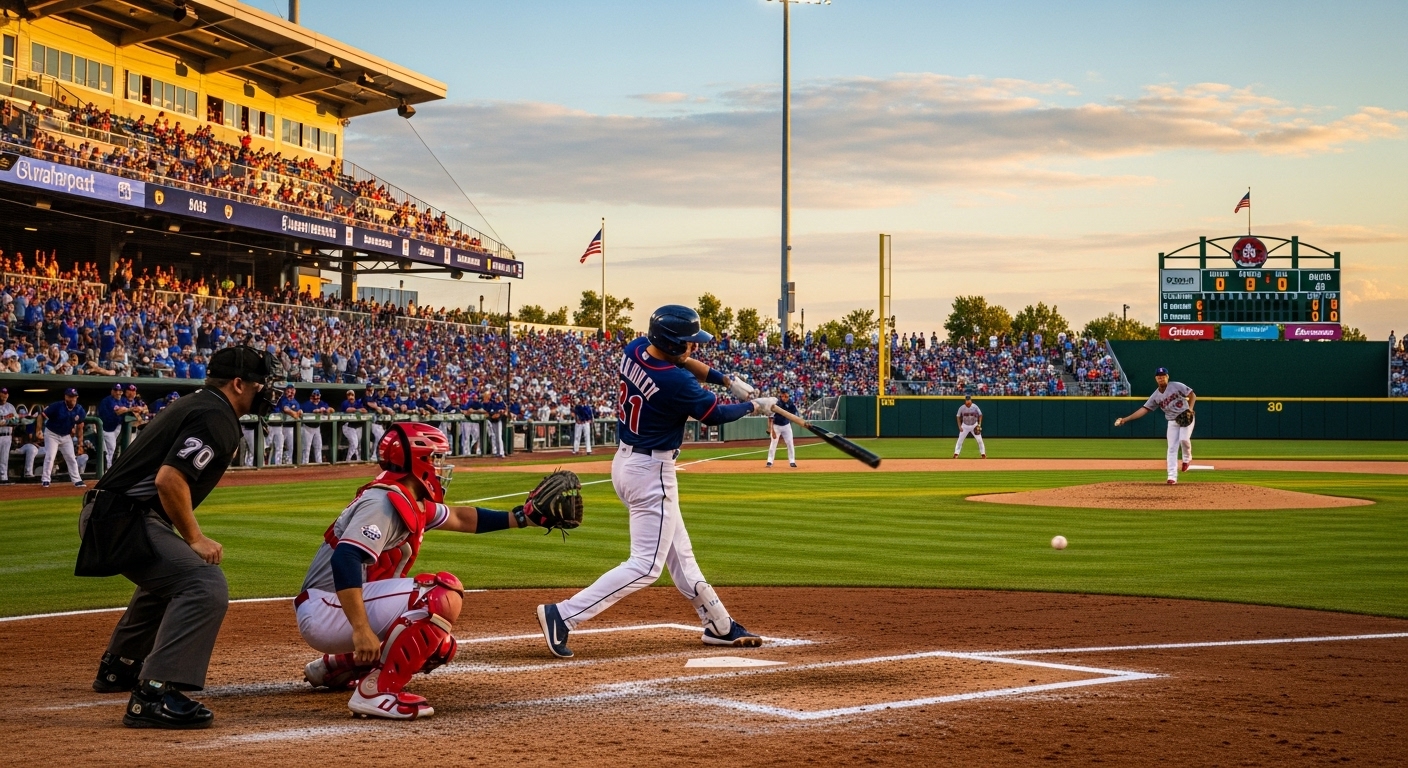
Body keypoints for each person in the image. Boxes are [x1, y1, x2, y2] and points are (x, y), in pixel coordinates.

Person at [536, 305, 774, 658]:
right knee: (646, 566)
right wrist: (754, 406)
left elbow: (685, 362)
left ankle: (719, 625)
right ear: (673, 343)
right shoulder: (674, 383)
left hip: (626, 463)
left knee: (681, 555)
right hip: (652, 473)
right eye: (689, 341)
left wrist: (726, 380)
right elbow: (714, 415)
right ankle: (564, 614)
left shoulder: (635, 348)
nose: (694, 346)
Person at [81, 346, 280, 729]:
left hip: (113, 512)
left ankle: (120, 665)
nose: (265, 391)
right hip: (121, 517)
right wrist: (195, 537)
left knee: (171, 578)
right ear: (238, 384)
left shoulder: (201, 404)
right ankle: (154, 693)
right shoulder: (215, 415)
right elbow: (169, 479)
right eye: (260, 384)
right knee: (204, 584)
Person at [294, 423, 546, 719]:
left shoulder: (407, 497)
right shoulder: (383, 502)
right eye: (435, 458)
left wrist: (522, 517)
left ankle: (337, 666)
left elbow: (461, 517)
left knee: (440, 646)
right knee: (440, 595)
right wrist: (361, 630)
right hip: (327, 608)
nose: (440, 467)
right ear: (417, 460)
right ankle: (375, 692)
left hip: (335, 608)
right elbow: (345, 558)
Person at [1114, 366, 1196, 484]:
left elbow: (1192, 395)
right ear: (1156, 379)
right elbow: (1144, 409)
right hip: (1172, 421)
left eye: (1163, 376)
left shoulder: (1176, 385)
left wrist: (1190, 409)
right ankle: (1172, 476)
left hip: (1186, 418)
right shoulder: (1155, 396)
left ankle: (1187, 458)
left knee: (1184, 439)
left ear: (1167, 377)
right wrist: (1125, 419)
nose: (1161, 378)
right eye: (1159, 377)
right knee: (1172, 448)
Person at [39, 387, 87, 488]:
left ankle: (77, 480)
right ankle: (45, 479)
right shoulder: (57, 406)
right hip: (52, 433)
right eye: (70, 396)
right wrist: (38, 430)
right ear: (66, 397)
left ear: (77, 397)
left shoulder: (79, 409)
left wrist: (80, 444)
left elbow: (80, 427)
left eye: (74, 397)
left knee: (71, 458)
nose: (72, 399)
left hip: (66, 435)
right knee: (50, 456)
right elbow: (41, 415)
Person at [99, 383, 132, 469]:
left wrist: (131, 408)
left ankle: (108, 468)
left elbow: (136, 406)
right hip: (106, 428)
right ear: (112, 391)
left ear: (122, 392)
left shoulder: (123, 400)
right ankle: (107, 468)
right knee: (110, 449)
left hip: (116, 427)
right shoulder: (108, 400)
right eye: (115, 390)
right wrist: (128, 409)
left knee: (112, 449)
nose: (118, 392)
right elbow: (119, 411)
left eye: (120, 391)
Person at [766, 389, 797, 468]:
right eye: (784, 396)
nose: (785, 398)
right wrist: (771, 429)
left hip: (786, 425)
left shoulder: (790, 403)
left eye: (787, 396)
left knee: (790, 443)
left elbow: (794, 413)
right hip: (776, 426)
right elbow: (770, 417)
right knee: (773, 443)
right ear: (781, 396)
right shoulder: (777, 404)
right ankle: (770, 461)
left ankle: (792, 461)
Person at [301, 389, 332, 464]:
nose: (316, 398)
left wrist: (327, 410)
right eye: (314, 396)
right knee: (306, 448)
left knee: (318, 446)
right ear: (311, 396)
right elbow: (313, 411)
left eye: (317, 396)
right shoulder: (307, 404)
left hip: (317, 427)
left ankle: (319, 463)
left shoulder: (321, 403)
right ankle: (304, 464)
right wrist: (319, 410)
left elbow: (330, 409)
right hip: (307, 427)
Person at [274, 385, 301, 465]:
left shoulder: (295, 401)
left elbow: (299, 411)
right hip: (279, 426)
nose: (290, 392)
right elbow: (285, 409)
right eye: (288, 391)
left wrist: (298, 412)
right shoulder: (283, 399)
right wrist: (293, 413)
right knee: (278, 447)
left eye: (292, 390)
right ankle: (277, 465)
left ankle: (288, 464)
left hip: (290, 427)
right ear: (285, 391)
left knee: (290, 448)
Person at [953, 394, 986, 459]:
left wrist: (979, 424)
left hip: (974, 425)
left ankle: (983, 454)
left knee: (979, 440)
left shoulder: (975, 407)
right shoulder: (962, 408)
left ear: (971, 400)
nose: (968, 401)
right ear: (965, 401)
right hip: (965, 426)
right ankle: (956, 454)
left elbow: (980, 415)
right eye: (967, 400)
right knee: (960, 440)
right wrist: (959, 426)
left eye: (969, 400)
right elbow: (958, 416)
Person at [339, 390, 367, 462]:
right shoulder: (345, 402)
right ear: (347, 396)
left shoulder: (357, 402)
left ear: (354, 396)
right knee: (354, 444)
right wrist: (358, 410)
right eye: (349, 395)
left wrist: (357, 410)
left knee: (357, 445)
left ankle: (358, 459)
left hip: (357, 426)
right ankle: (348, 460)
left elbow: (365, 410)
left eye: (352, 395)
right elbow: (348, 410)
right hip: (347, 426)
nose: (350, 397)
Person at [458, 391, 483, 456]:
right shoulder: (465, 404)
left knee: (477, 436)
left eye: (476, 398)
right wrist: (468, 411)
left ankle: (476, 451)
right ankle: (465, 452)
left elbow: (482, 410)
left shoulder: (477, 404)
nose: (475, 399)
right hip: (465, 421)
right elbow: (465, 412)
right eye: (473, 398)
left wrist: (473, 411)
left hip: (475, 422)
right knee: (465, 438)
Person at [483, 391, 506, 458]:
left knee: (498, 436)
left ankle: (501, 452)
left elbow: (503, 408)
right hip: (492, 421)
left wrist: (498, 412)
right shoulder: (491, 403)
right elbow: (488, 410)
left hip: (498, 421)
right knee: (494, 437)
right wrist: (491, 414)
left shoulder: (500, 403)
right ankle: (497, 452)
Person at [0, 388, 15, 484]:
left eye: (6, 394)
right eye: (2, 393)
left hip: (7, 435)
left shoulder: (10, 406)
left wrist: (11, 420)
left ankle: (3, 478)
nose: (5, 395)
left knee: (4, 458)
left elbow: (15, 419)